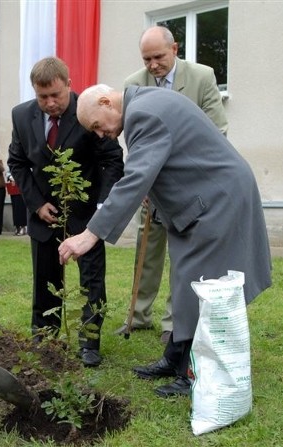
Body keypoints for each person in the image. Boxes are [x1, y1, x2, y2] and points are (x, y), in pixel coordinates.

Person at [58, 84, 271, 397]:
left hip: (218, 199)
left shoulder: (143, 114)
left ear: (106, 102)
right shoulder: (145, 104)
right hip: (205, 197)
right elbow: (169, 161)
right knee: (186, 282)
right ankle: (176, 357)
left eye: (97, 126)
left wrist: (91, 234)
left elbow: (135, 178)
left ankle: (192, 371)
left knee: (203, 285)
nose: (101, 134)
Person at [8, 57, 124, 367]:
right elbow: (17, 163)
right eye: (42, 96)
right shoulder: (21, 116)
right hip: (44, 215)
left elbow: (112, 160)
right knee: (45, 280)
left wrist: (101, 211)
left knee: (91, 281)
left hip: (85, 217)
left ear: (69, 86)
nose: (49, 103)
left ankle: (89, 342)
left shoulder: (88, 112)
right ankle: (45, 339)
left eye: (56, 95)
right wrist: (35, 203)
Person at [116, 25, 229, 343]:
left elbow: (217, 131)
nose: (152, 65)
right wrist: (145, 183)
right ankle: (137, 315)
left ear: (175, 49)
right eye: (146, 59)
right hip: (153, 184)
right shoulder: (132, 85)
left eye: (158, 57)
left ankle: (172, 322)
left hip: (190, 185)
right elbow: (135, 141)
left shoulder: (202, 77)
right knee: (147, 249)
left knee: (182, 254)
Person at [6, 171, 27, 236]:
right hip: (14, 188)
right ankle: (17, 227)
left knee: (21, 208)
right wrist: (10, 177)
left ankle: (23, 227)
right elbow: (8, 172)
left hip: (22, 188)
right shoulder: (12, 163)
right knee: (15, 209)